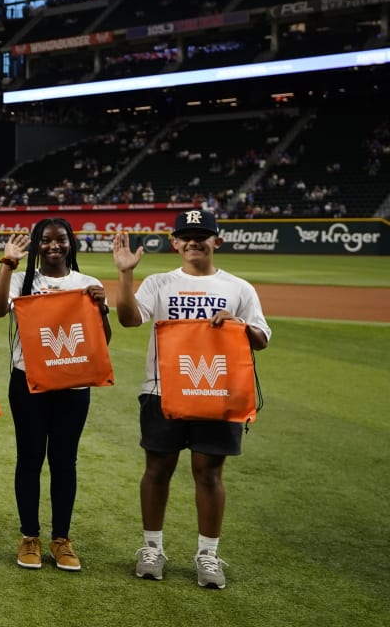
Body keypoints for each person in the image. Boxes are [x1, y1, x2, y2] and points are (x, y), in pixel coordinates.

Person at [114, 208, 271, 590]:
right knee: (157, 470)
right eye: (185, 235)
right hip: (162, 390)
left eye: (202, 234)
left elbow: (262, 338)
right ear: (175, 243)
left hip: (217, 392)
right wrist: (125, 273)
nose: (193, 241)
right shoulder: (159, 282)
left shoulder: (239, 288)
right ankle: (152, 548)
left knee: (209, 472)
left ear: (217, 240)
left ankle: (208, 554)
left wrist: (238, 324)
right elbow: (129, 319)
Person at [0, 219, 110, 572]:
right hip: (29, 382)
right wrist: (8, 263)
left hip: (73, 385)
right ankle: (29, 537)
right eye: (45, 240)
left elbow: (103, 341)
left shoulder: (89, 284)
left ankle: (61, 538)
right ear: (36, 246)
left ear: (71, 244)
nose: (53, 245)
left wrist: (100, 308)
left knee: (64, 461)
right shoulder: (24, 282)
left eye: (61, 240)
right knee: (29, 459)